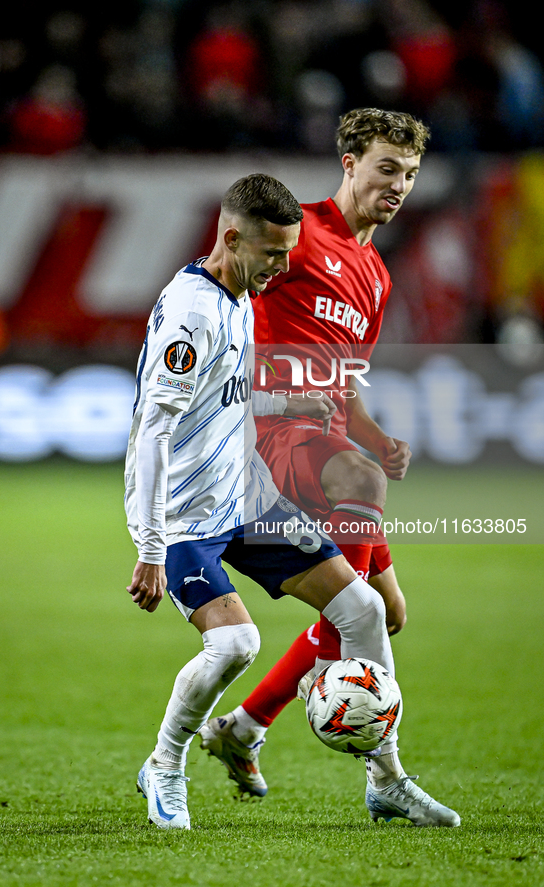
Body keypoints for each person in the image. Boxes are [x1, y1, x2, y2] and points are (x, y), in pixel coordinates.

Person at [125, 172, 446, 831]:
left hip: (244, 499)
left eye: (288, 253)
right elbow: (153, 430)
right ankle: (165, 763)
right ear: (231, 236)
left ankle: (385, 780)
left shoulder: (239, 288)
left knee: (361, 608)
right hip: (188, 517)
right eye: (273, 254)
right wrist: (150, 547)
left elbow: (224, 395)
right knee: (235, 644)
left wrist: (276, 401)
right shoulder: (193, 311)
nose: (282, 266)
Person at [200, 109, 460, 827]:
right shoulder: (296, 232)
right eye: (385, 168)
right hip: (269, 435)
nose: (398, 184)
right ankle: (385, 778)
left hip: (328, 442)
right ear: (348, 162)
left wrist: (374, 435)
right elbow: (218, 302)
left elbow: (344, 381)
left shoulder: (374, 273)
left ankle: (244, 727)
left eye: (408, 174)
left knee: (384, 613)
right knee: (359, 550)